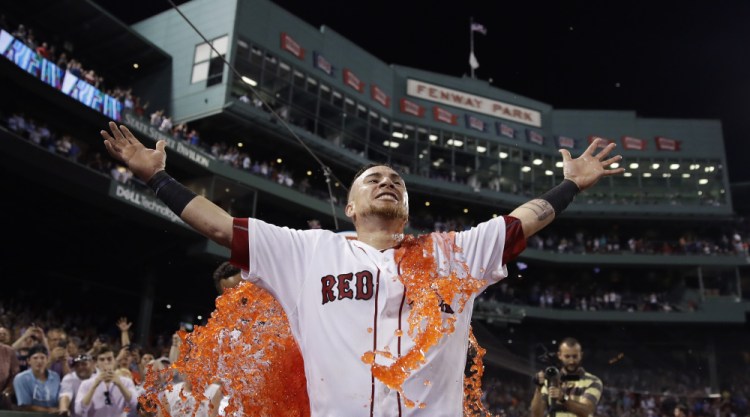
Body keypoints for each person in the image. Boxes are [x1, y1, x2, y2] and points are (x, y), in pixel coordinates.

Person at [102, 122, 623, 416]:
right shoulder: (308, 251)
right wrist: (157, 179)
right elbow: (219, 227)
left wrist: (571, 185)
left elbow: (522, 221)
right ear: (349, 206)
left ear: (408, 207)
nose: (386, 181)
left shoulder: (453, 253)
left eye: (396, 179)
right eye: (373, 177)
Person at [529, 338, 603, 417]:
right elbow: (536, 415)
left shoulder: (593, 381)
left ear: (581, 355)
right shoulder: (550, 380)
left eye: (575, 356)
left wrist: (563, 398)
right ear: (559, 355)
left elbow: (586, 411)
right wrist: (538, 388)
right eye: (567, 357)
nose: (571, 361)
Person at [76, 345, 137, 417]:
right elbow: (79, 411)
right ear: (96, 363)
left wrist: (120, 385)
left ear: (115, 360)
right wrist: (94, 386)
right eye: (102, 360)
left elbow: (134, 405)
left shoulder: (126, 382)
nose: (106, 362)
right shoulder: (86, 384)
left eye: (109, 359)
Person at [12, 344, 60, 413]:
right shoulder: (21, 378)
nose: (39, 361)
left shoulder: (55, 377)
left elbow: (58, 400)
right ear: (28, 361)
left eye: (42, 358)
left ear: (47, 360)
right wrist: (49, 410)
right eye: (35, 358)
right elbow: (25, 406)